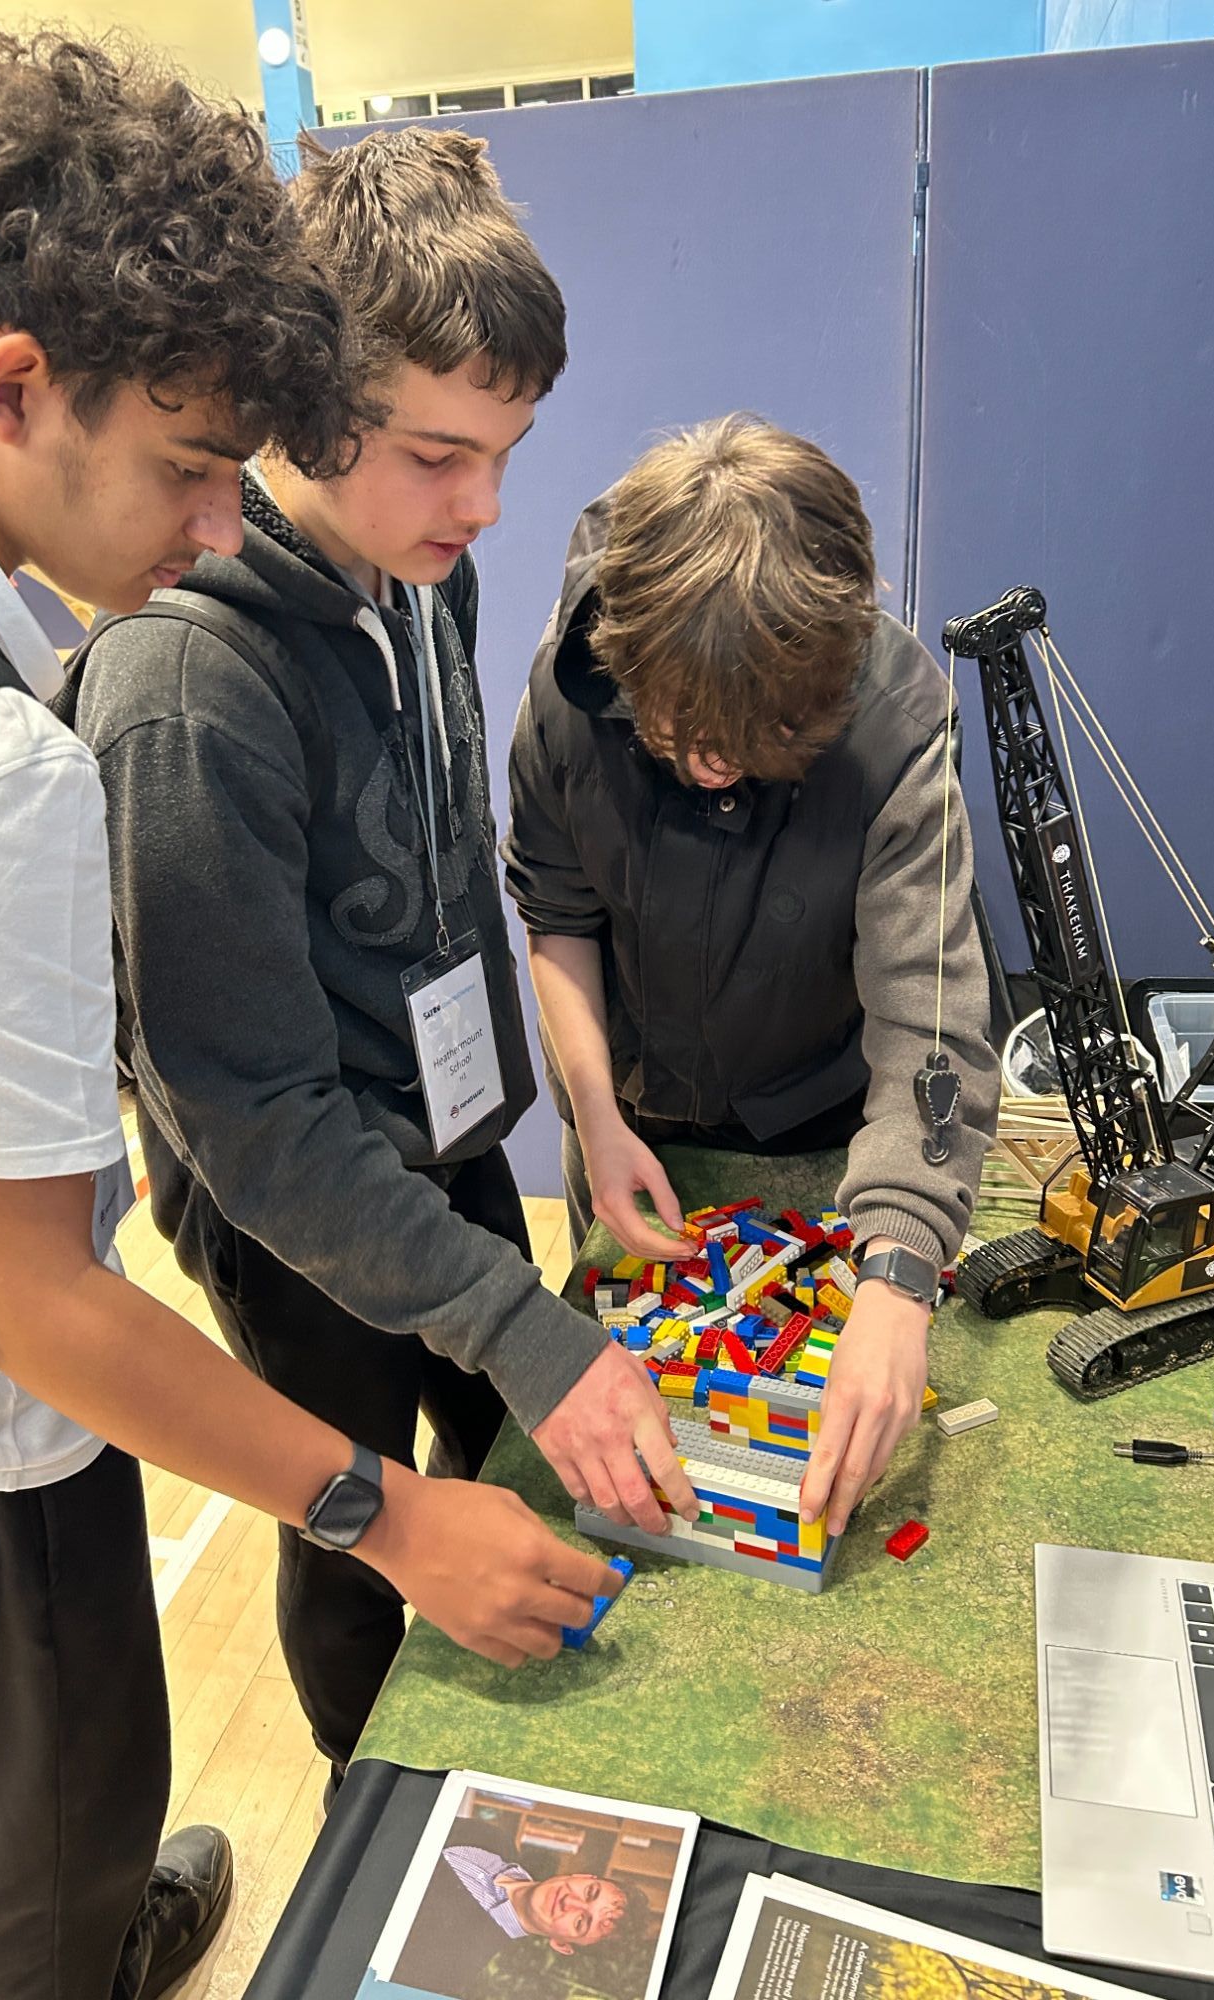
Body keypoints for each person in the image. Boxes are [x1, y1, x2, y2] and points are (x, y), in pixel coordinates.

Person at [0, 37, 617, 2000]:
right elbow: (36, 1288)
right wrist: (378, 1513)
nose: (210, 526)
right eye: (197, 466)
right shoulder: (15, 747)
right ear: (18, 387)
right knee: (38, 1811)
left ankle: (102, 1916)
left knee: (71, 1797)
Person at [66, 125, 699, 1784]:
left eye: (506, 449)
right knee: (357, 1524)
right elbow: (257, 1120)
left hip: (448, 1132)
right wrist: (526, 1327)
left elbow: (448, 879)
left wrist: (567, 1113)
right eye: (437, 453)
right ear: (301, 406)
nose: (484, 504)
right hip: (294, 1203)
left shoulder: (431, 574)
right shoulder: (184, 685)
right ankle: (370, 1806)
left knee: (518, 1455)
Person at [503, 415, 1000, 1543]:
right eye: (683, 734)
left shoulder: (895, 717)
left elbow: (930, 1018)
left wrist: (901, 1269)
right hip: (629, 1126)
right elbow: (557, 914)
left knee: (835, 1396)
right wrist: (595, 1112)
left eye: (758, 740)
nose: (717, 766)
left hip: (829, 1139)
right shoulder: (567, 694)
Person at [393, 1844, 643, 1995]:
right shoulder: (492, 1837)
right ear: (583, 1875)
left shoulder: (452, 1967)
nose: (571, 1902)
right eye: (590, 1892)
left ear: (561, 1944)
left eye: (581, 1922)